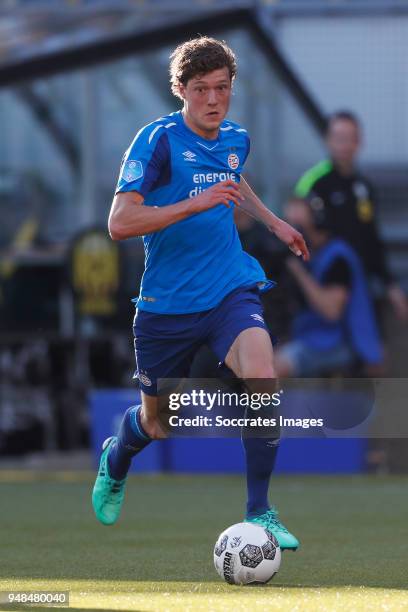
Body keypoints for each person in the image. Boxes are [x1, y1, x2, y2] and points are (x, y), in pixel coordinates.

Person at [91, 36, 309, 550]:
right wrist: (194, 204)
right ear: (180, 91)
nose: (213, 100)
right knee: (157, 424)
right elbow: (120, 223)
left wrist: (274, 223)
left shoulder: (236, 137)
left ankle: (261, 511)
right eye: (201, 89)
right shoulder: (158, 141)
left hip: (229, 285)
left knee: (261, 371)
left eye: (223, 88)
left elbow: (233, 179)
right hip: (167, 306)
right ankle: (117, 454)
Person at [294, 111, 408, 322]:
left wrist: (390, 284)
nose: (345, 145)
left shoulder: (363, 186)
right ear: (328, 141)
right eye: (339, 139)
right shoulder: (313, 182)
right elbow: (298, 228)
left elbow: (371, 237)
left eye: (351, 139)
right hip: (328, 281)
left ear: (359, 142)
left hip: (361, 282)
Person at [275, 198, 383, 377]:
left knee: (273, 368)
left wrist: (298, 271)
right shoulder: (314, 254)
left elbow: (331, 311)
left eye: (297, 224)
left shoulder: (337, 256)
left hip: (343, 342)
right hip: (312, 336)